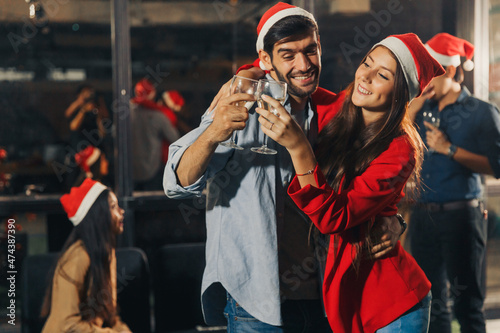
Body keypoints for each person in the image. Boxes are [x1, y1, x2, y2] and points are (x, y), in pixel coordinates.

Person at [164, 3, 405, 331]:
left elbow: (365, 179)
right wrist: (212, 134)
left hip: (322, 296)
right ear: (266, 61)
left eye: (311, 51)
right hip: (255, 298)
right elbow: (175, 181)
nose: (304, 65)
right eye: (288, 55)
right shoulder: (240, 106)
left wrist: (390, 217)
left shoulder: (333, 114)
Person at [257, 33, 444, 332]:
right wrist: (248, 73)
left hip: (390, 308)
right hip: (334, 298)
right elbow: (278, 71)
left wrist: (299, 148)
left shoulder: (400, 148)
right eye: (366, 63)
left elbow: (334, 217)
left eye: (382, 75)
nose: (365, 77)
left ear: (401, 93)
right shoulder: (335, 110)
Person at [407, 33, 500, 333]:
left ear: (453, 71)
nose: (427, 82)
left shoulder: (482, 112)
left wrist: (450, 149)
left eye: (433, 74)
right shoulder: (421, 111)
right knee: (430, 303)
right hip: (423, 217)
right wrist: (413, 107)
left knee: (468, 305)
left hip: (463, 217)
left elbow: (497, 166)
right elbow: (393, 139)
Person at [41, 178, 131, 333]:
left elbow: (109, 316)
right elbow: (67, 325)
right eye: (114, 207)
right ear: (98, 215)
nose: (121, 211)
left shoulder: (107, 254)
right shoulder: (78, 256)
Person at [131, 78, 180, 191]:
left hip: (131, 172)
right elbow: (175, 139)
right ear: (152, 95)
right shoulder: (160, 117)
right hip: (153, 171)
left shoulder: (126, 115)